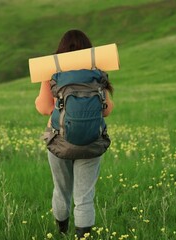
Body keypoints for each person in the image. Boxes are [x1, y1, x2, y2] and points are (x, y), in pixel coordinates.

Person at [35, 29, 114, 238]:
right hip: (91, 141)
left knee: (61, 190)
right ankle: (83, 236)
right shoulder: (96, 71)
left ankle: (61, 233)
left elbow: (44, 108)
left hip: (59, 140)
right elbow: (106, 109)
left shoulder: (52, 71)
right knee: (84, 196)